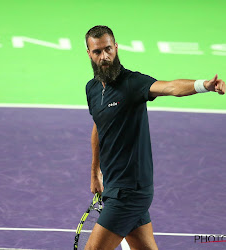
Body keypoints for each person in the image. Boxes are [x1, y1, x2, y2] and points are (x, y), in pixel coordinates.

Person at [84, 25, 225, 250]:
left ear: (116, 48)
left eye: (108, 49)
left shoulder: (132, 83)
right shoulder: (92, 89)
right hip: (114, 185)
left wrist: (203, 86)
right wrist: (95, 171)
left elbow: (170, 87)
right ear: (89, 54)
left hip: (129, 191)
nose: (105, 56)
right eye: (98, 52)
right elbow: (99, 126)